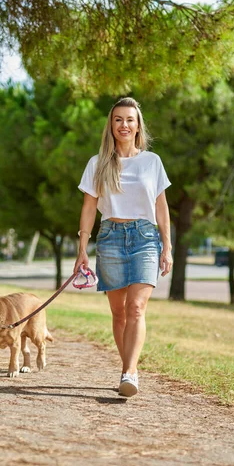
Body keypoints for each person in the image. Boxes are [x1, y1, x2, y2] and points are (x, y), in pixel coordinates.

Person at [74, 97, 172, 397]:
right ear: (111, 125)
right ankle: (129, 366)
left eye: (130, 119)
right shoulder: (97, 163)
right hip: (111, 237)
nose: (124, 125)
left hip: (144, 238)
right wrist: (82, 248)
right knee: (119, 313)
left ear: (138, 125)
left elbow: (161, 208)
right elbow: (90, 207)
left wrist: (167, 246)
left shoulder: (152, 162)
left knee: (137, 308)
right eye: (118, 119)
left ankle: (129, 373)